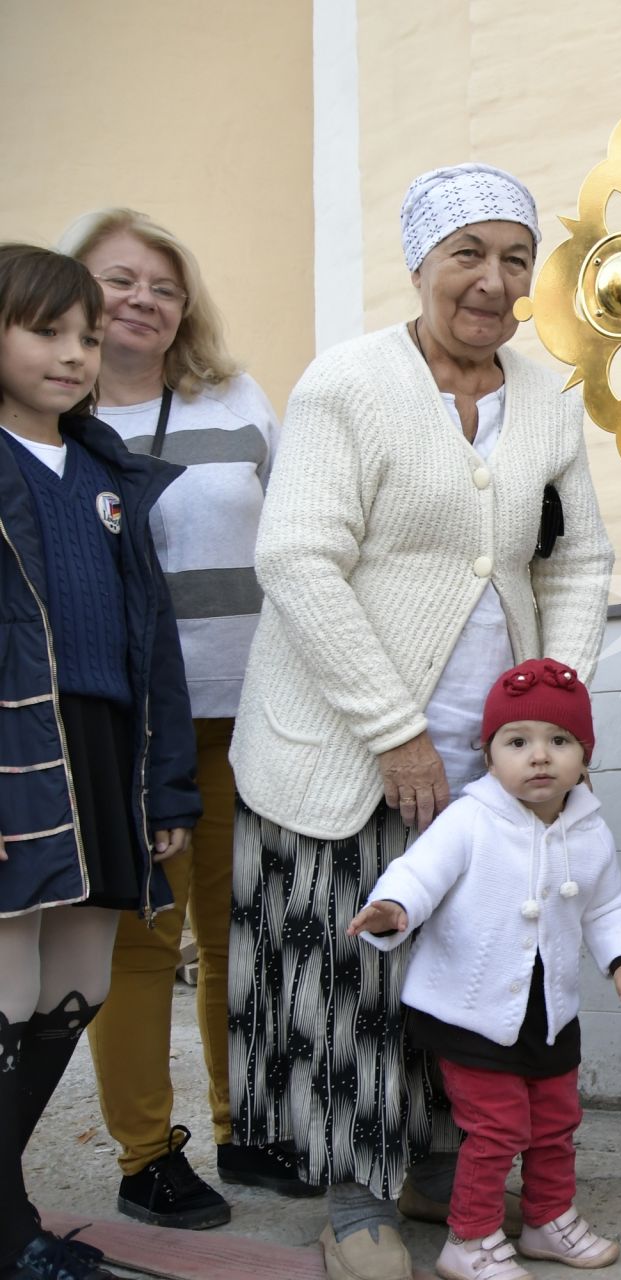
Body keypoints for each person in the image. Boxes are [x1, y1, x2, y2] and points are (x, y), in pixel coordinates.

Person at [227, 164, 614, 1280]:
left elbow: (581, 554)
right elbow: (296, 556)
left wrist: (556, 702)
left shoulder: (545, 398)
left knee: (475, 963)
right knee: (357, 964)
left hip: (490, 758)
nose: (492, 282)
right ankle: (355, 1192)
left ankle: (448, 1162)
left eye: (513, 257)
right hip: (349, 745)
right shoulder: (347, 383)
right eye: (467, 254)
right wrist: (394, 726)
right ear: (420, 264)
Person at [53, 207, 302, 1229]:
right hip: (129, 729)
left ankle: (244, 1125)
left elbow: (294, 531)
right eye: (121, 280)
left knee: (243, 933)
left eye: (164, 284)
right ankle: (146, 1151)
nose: (144, 299)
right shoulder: (52, 418)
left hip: (247, 711)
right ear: (74, 296)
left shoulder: (235, 397)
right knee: (142, 940)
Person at [0, 244, 199, 1280]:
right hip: (11, 745)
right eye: (46, 331)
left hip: (104, 748)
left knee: (73, 985)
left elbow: (152, 639)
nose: (74, 353)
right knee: (5, 986)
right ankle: (6, 1222)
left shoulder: (109, 472)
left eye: (86, 335)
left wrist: (164, 781)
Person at [347, 658, 621, 1280]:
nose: (539, 757)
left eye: (559, 741)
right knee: (497, 1127)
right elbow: (421, 872)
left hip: (550, 1013)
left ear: (584, 757)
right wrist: (393, 908)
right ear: (489, 757)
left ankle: (546, 1219)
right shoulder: (470, 818)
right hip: (472, 1010)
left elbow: (608, 903)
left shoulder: (589, 828)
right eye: (518, 742)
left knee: (558, 1120)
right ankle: (471, 1239)